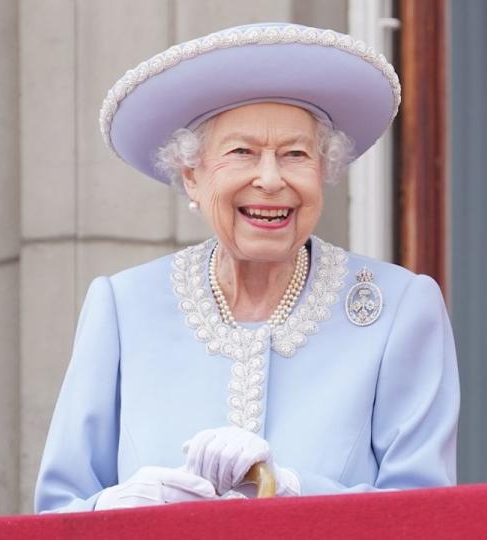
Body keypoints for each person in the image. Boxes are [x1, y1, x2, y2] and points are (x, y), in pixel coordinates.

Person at [34, 22, 460, 513]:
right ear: (192, 177)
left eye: (295, 155)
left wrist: (295, 489)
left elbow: (427, 513)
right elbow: (57, 511)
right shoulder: (123, 307)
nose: (271, 179)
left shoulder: (400, 309)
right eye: (242, 153)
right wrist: (119, 507)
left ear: (323, 172)